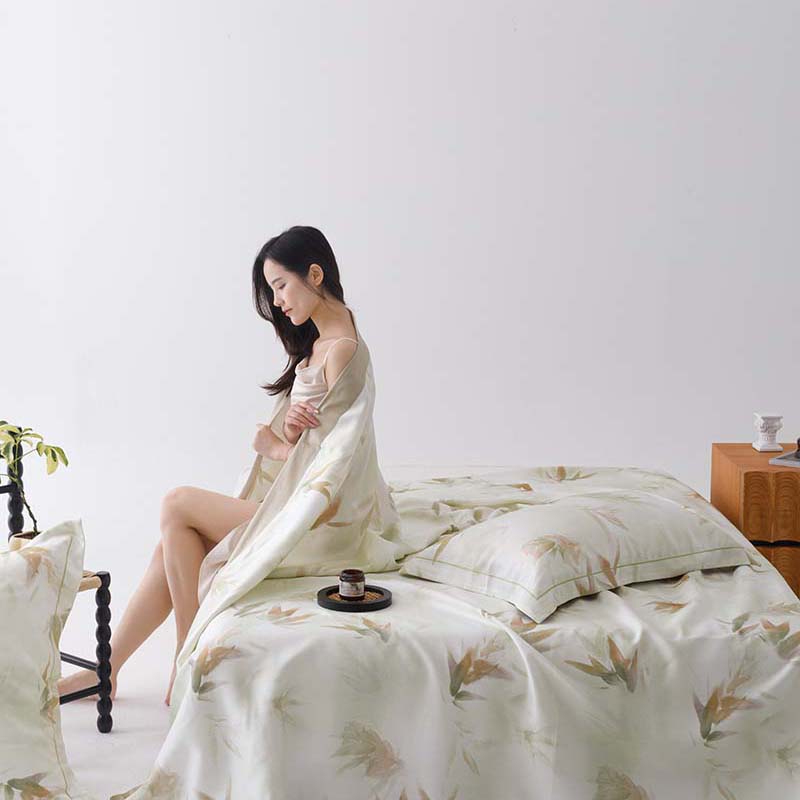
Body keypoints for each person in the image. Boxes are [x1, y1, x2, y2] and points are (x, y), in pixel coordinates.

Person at [57, 225, 360, 706]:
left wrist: (275, 448)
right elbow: (320, 440)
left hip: (320, 521)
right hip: (300, 501)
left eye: (281, 285)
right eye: (272, 291)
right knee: (173, 542)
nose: (277, 302)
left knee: (177, 503)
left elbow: (339, 463)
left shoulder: (341, 349)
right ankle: (109, 669)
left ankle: (187, 657)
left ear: (315, 274)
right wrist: (289, 435)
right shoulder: (323, 344)